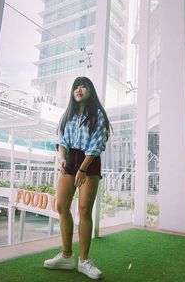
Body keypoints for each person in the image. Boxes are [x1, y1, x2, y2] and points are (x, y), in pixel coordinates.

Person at [44, 76, 111, 280]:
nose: (79, 89)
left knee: (84, 210)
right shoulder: (68, 115)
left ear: (90, 91)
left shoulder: (98, 115)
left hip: (89, 162)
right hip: (70, 159)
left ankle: (84, 261)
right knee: (61, 206)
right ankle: (66, 256)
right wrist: (62, 158)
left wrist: (82, 169)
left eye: (83, 86)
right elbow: (62, 140)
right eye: (76, 87)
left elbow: (97, 144)